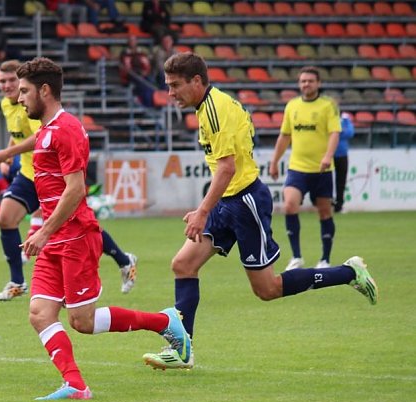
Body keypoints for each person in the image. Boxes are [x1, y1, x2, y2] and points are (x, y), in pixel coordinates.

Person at [141, 53, 377, 370]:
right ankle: (183, 350)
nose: (170, 93)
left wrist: (201, 211)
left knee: (267, 289)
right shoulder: (212, 105)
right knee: (183, 264)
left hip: (245, 202)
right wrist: (207, 208)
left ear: (197, 81)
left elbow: (227, 168)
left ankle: (349, 273)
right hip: (228, 201)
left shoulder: (214, 110)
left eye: (175, 85)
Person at [14, 57, 189, 400]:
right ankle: (76, 385)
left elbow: (76, 189)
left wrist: (45, 230)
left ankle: (165, 322)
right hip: (53, 240)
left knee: (83, 321)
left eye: (24, 91)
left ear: (44, 91)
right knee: (39, 313)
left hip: (76, 237)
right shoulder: (46, 130)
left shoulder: (66, 129)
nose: (20, 98)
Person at [0, 59, 139, 301]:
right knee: (6, 219)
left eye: (12, 82)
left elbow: (40, 136)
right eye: (1, 81)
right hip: (29, 174)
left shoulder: (41, 111)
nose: (6, 86)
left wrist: (8, 154)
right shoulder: (8, 104)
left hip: (49, 173)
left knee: (77, 224)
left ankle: (122, 259)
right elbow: (16, 135)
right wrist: (8, 154)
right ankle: (17, 280)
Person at [270, 66, 342, 270]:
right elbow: (285, 135)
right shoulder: (292, 106)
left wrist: (328, 156)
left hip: (322, 170)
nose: (306, 84)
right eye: (303, 81)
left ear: (318, 83)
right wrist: (275, 161)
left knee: (325, 212)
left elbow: (334, 133)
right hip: (297, 169)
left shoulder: (328, 105)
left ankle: (325, 259)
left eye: (310, 81)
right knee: (290, 205)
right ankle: (296, 257)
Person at [118, 34, 154, 107]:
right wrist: (139, 72)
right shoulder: (125, 53)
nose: (132, 42)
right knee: (142, 83)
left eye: (134, 40)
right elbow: (127, 67)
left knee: (151, 81)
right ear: (128, 42)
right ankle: (145, 104)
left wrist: (145, 72)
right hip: (130, 75)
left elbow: (146, 64)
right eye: (131, 40)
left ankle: (150, 104)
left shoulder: (141, 53)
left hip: (142, 74)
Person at [334, 110, 354, 213]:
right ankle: (327, 204)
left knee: (341, 181)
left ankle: (339, 205)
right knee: (327, 181)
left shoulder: (345, 119)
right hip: (329, 154)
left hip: (342, 154)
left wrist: (338, 132)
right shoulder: (328, 118)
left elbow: (350, 133)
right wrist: (340, 132)